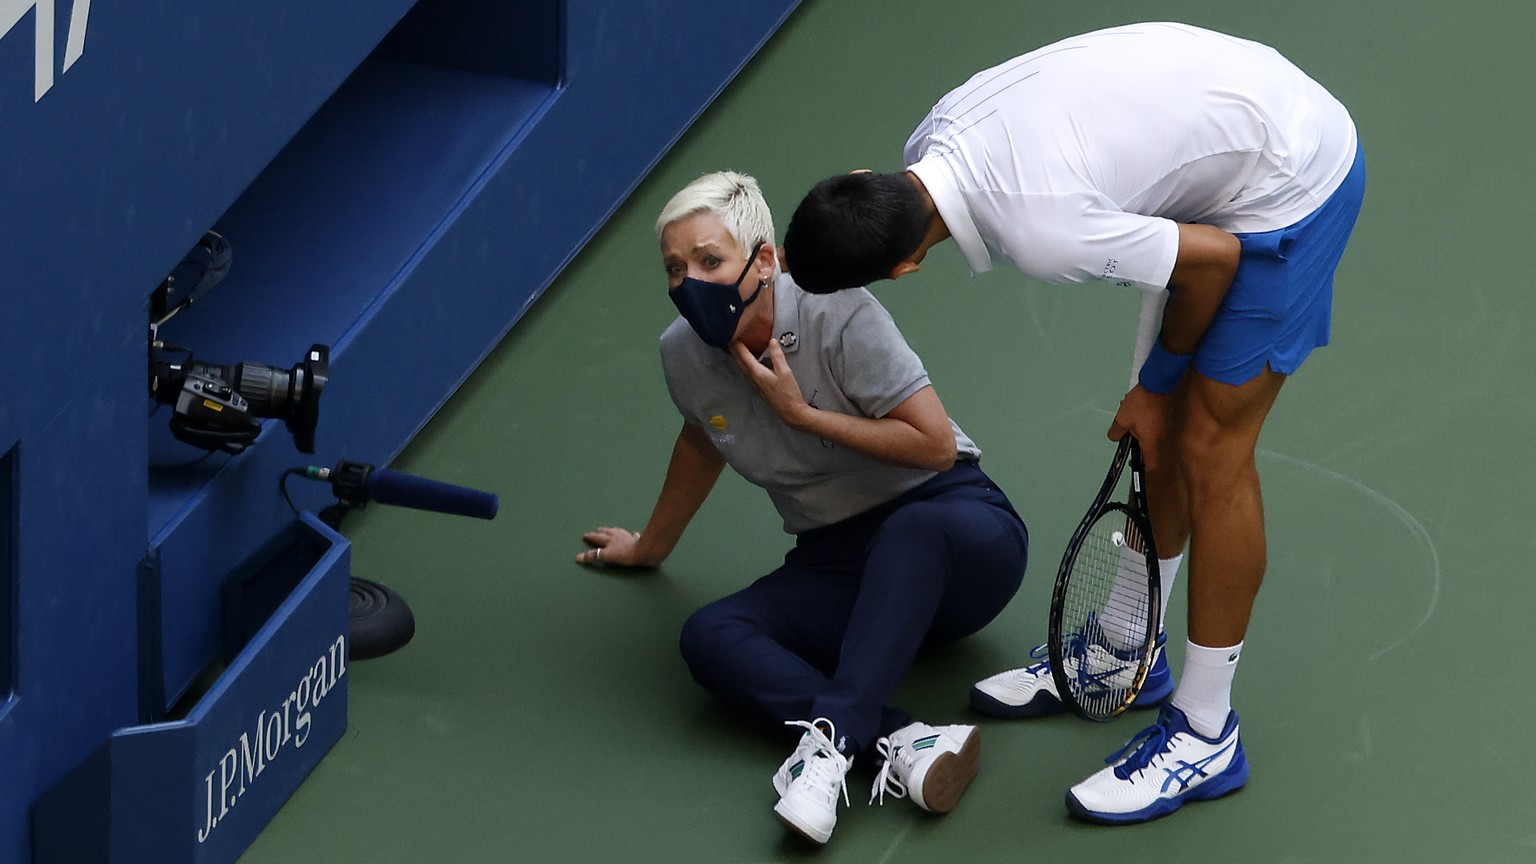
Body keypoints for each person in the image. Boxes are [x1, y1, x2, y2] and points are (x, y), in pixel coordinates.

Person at [783, 22, 1365, 824]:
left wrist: (1159, 386)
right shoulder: (937, 128)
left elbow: (1215, 261)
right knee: (1155, 436)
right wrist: (1152, 390)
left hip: (1292, 176)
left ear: (903, 268)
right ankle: (1131, 647)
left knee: (1207, 448)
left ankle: (1204, 733)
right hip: (1226, 121)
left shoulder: (1043, 233)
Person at [576, 171, 1029, 845]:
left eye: (709, 260)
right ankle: (905, 740)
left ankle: (829, 750)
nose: (690, 282)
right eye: (675, 268)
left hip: (957, 532)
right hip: (841, 561)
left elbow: (934, 447)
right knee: (711, 637)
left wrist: (799, 413)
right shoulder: (683, 354)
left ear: (763, 260)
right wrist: (651, 546)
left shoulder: (837, 311)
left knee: (914, 528)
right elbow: (701, 442)